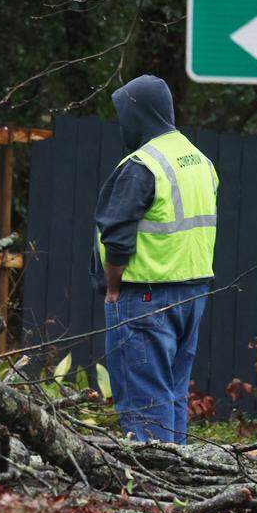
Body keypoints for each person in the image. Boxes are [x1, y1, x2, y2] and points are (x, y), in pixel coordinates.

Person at [91, 74, 219, 444]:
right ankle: (179, 481)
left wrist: (112, 287)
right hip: (192, 295)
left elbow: (115, 235)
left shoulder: (143, 165)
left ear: (139, 114)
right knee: (172, 393)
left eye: (123, 114)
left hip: (145, 297)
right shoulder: (199, 160)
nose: (120, 124)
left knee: (144, 400)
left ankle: (154, 491)